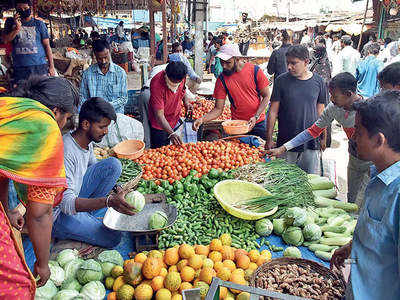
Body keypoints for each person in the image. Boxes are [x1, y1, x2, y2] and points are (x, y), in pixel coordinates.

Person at [0, 76, 79, 297]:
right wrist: (42, 264)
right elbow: (39, 213)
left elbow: (2, 172)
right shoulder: (45, 127)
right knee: (18, 288)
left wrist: (6, 211)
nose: (63, 126)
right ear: (56, 111)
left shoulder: (9, 107)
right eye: (66, 118)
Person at [331, 90, 400, 300]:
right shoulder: (378, 174)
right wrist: (353, 247)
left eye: (358, 132)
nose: (352, 137)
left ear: (379, 140)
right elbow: (380, 236)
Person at [267, 73, 371, 206]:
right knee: (352, 199)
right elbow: (312, 131)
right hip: (355, 158)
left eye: (335, 96)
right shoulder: (334, 108)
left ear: (349, 94)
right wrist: (283, 148)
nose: (331, 99)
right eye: (330, 95)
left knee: (364, 201)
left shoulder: (369, 110)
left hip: (372, 162)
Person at [52, 98, 134, 248]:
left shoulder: (85, 142)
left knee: (113, 165)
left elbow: (95, 168)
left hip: (76, 194)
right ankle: (76, 225)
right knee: (113, 237)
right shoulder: (67, 151)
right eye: (102, 127)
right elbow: (66, 204)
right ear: (85, 124)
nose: (106, 131)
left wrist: (117, 187)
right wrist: (108, 201)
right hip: (59, 215)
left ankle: (86, 217)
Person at [265, 45, 327, 174]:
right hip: (285, 142)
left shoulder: (319, 82)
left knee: (310, 180)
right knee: (285, 181)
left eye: (294, 63)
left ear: (306, 62)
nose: (289, 67)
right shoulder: (281, 81)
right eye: (287, 63)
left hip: (311, 143)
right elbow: (273, 111)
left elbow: (322, 113)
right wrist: (269, 138)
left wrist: (323, 137)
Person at [192, 44, 271, 139]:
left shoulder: (255, 71)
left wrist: (256, 116)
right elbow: (218, 109)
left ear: (237, 59)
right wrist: (202, 119)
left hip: (258, 123)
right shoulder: (222, 79)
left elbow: (266, 96)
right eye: (222, 62)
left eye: (228, 62)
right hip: (237, 126)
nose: (224, 66)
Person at [2, 0, 55, 85]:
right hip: (20, 68)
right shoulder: (10, 22)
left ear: (30, 9)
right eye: (20, 9)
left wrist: (51, 67)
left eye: (25, 8)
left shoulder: (39, 24)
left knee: (39, 94)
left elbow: (47, 46)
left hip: (39, 67)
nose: (23, 10)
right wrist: (17, 29)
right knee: (22, 94)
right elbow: (5, 40)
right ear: (16, 10)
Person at [148, 61, 193, 148]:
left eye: (177, 83)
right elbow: (159, 116)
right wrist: (171, 133)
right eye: (172, 82)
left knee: (173, 148)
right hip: (159, 124)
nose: (175, 85)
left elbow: (183, 89)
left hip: (174, 117)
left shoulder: (181, 76)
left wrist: (186, 102)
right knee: (160, 150)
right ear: (166, 74)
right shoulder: (157, 84)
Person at [80, 39, 127, 113]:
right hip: (95, 115)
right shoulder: (87, 74)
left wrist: (105, 106)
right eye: (100, 59)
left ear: (110, 52)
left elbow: (123, 98)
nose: (104, 61)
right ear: (95, 56)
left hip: (115, 115)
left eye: (106, 57)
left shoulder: (120, 73)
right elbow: (82, 97)